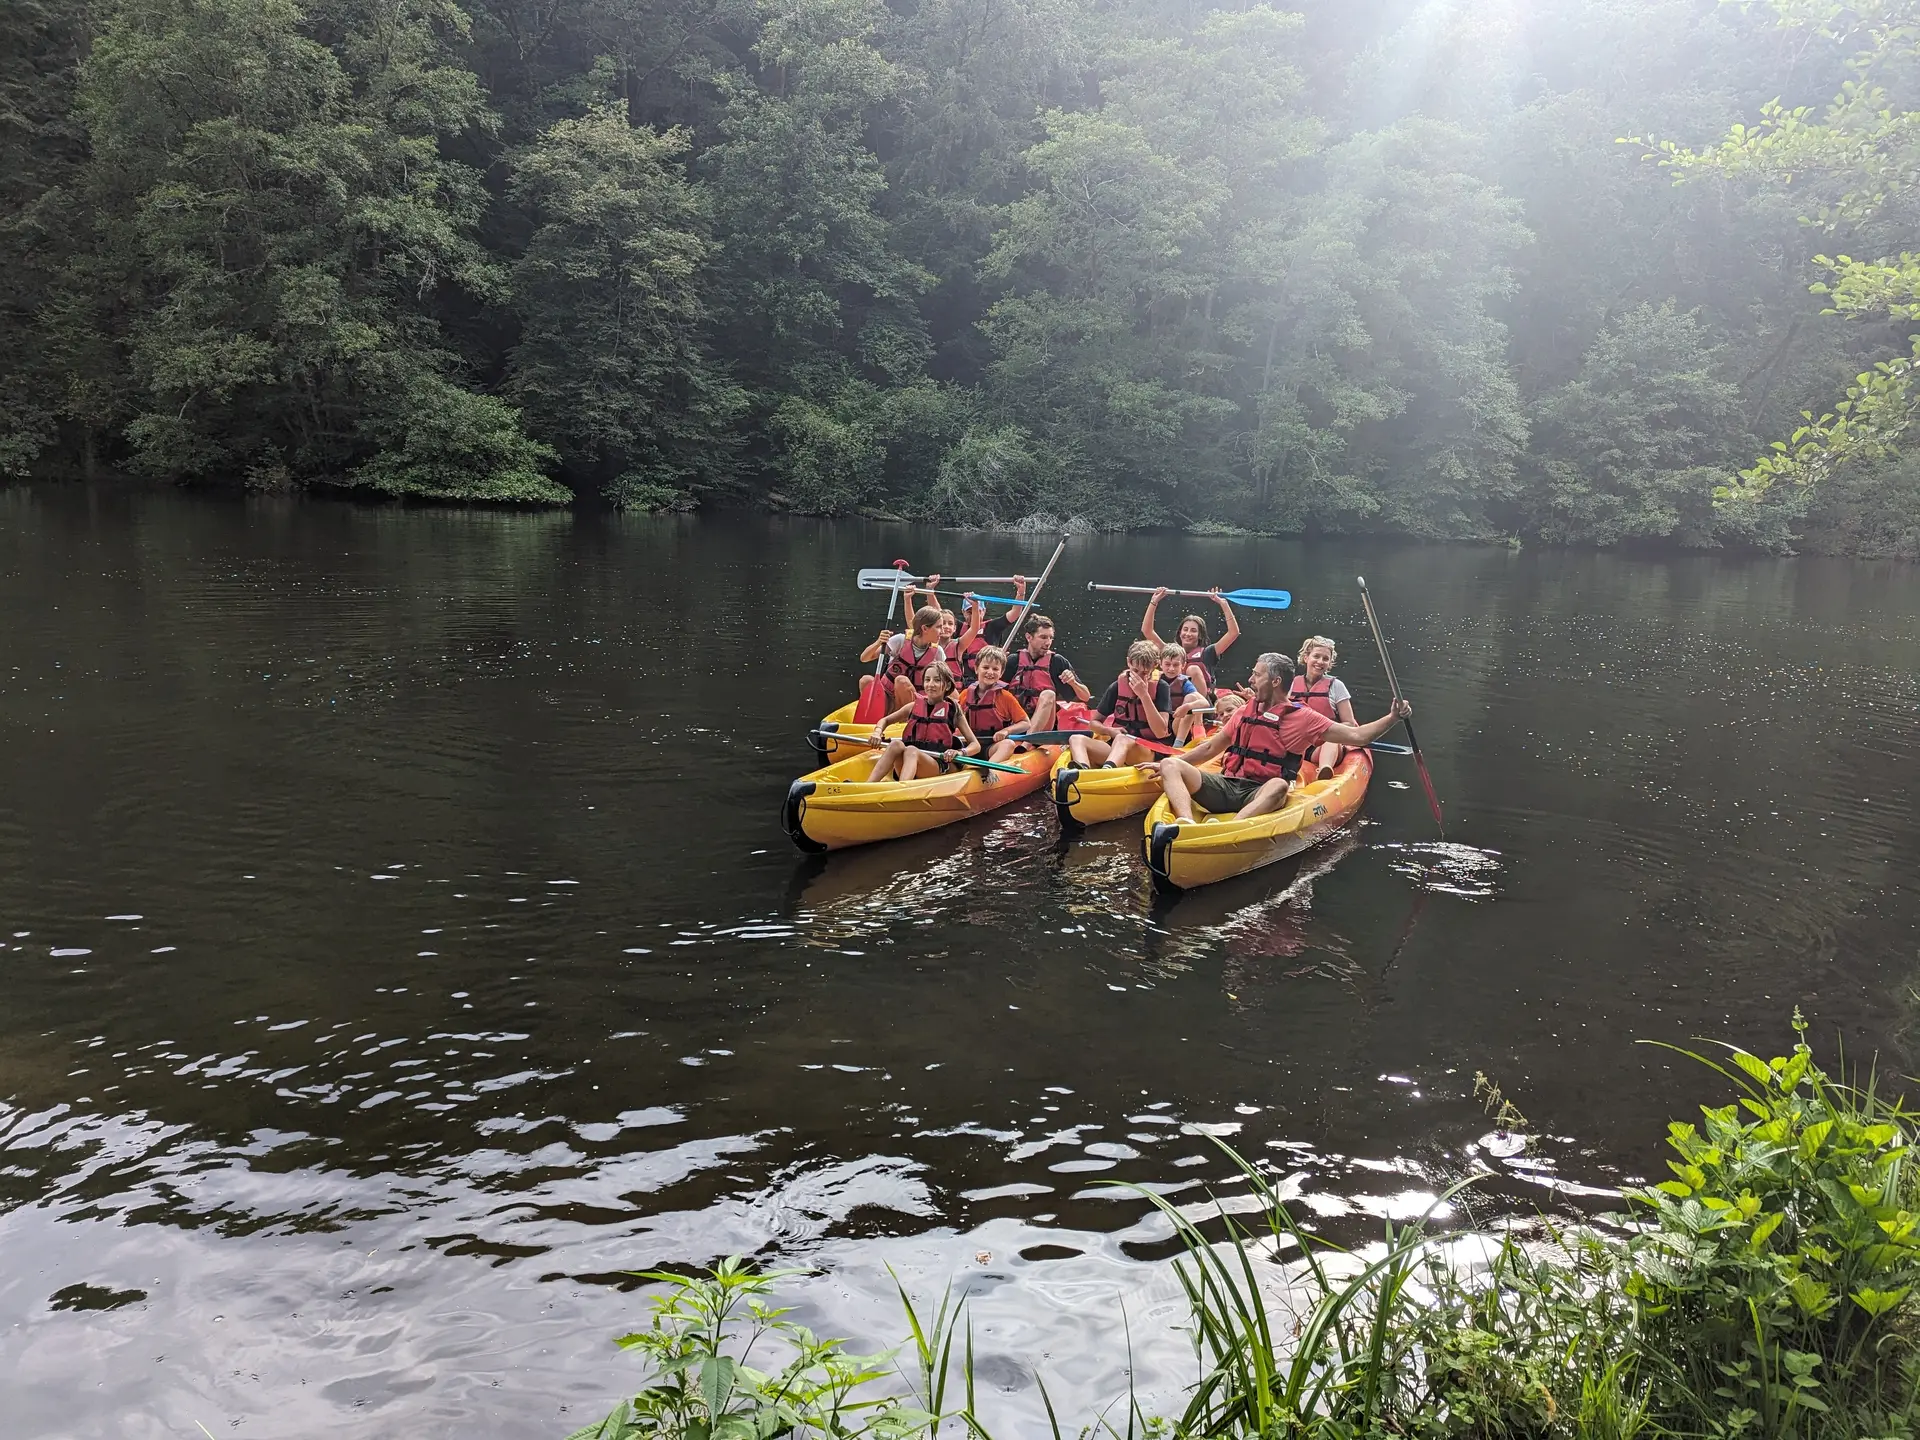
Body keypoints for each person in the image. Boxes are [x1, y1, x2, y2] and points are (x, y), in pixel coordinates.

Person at [1143, 652, 1410, 822]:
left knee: (1279, 785)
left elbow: (1357, 735)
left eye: (1257, 675)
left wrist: (1393, 718)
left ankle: (1232, 829)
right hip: (1226, 785)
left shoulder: (1303, 717)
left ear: (1275, 681)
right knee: (1170, 764)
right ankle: (1187, 823)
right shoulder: (1248, 709)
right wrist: (1167, 763)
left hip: (1259, 791)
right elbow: (1212, 746)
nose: (1250, 679)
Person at [1069, 640, 1172, 769]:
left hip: (1147, 749)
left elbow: (1160, 732)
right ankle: (1080, 773)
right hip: (1117, 748)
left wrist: (1144, 695)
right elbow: (1093, 723)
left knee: (1123, 739)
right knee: (1076, 739)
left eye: (1145, 673)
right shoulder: (1117, 686)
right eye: (1135, 670)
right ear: (1128, 662)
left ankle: (1106, 772)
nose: (1138, 677)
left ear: (1155, 665)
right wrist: (1109, 730)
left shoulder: (1162, 687)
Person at [868, 662, 979, 781]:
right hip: (908, 762)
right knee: (896, 744)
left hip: (936, 764)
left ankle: (902, 789)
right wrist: (877, 732)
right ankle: (867, 786)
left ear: (947, 686)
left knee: (911, 750)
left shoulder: (954, 711)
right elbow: (885, 720)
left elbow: (975, 745)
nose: (931, 684)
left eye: (937, 680)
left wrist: (960, 752)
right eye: (927, 680)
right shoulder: (913, 706)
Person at [1141, 587, 1241, 699]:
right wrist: (1154, 601)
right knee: (1156, 673)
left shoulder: (1208, 653)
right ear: (1180, 632)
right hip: (1175, 702)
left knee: (1192, 669)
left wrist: (1223, 604)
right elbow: (1147, 631)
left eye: (1193, 631)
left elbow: (1233, 633)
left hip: (1201, 706)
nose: (1188, 634)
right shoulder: (1170, 651)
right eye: (1185, 629)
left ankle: (1197, 711)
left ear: (1200, 635)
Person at [1004, 614, 1089, 732]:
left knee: (1048, 694)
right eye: (1043, 637)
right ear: (1029, 637)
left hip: (1044, 726)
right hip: (1015, 721)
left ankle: (1027, 741)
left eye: (1050, 638)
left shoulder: (1057, 662)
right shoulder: (1013, 661)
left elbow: (1085, 696)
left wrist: (1073, 682)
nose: (1048, 642)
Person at [1290, 635, 1358, 781]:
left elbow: (1350, 723)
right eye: (1316, 656)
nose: (1320, 662)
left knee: (1331, 738)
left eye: (1325, 659)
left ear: (1329, 663)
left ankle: (1325, 769)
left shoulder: (1336, 686)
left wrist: (1326, 729)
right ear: (1306, 657)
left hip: (1322, 747)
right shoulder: (1291, 684)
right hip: (1297, 744)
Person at [959, 646, 1031, 766]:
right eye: (985, 667)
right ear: (976, 669)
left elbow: (1026, 723)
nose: (990, 672)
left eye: (995, 669)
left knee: (1008, 744)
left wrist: (1006, 731)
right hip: (970, 745)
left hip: (992, 747)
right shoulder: (965, 695)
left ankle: (987, 769)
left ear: (1001, 672)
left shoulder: (1005, 697)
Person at [881, 606, 951, 711]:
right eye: (939, 627)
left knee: (902, 681)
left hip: (916, 701)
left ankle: (907, 719)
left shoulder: (938, 652)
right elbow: (864, 658)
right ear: (924, 629)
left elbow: (946, 681)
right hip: (890, 694)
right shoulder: (900, 640)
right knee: (866, 680)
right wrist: (879, 642)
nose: (942, 631)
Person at [1157, 643, 1211, 744]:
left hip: (1177, 726)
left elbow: (1205, 703)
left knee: (1191, 698)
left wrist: (1187, 707)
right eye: (1167, 664)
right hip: (1159, 724)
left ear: (1183, 665)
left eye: (1176, 665)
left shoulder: (1184, 683)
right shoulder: (1154, 679)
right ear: (1160, 664)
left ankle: (1178, 744)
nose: (1171, 669)